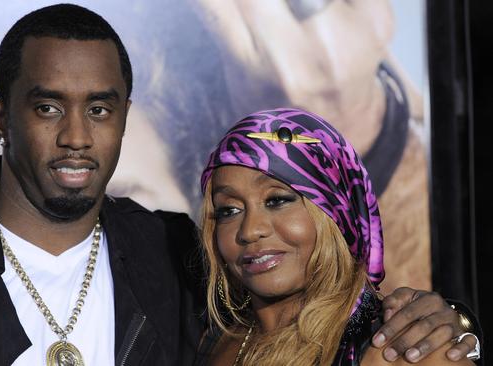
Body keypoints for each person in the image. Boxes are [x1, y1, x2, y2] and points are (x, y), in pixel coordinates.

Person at [0, 4, 480, 366]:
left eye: (100, 108)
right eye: (44, 108)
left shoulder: (178, 264)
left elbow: (319, 294)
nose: (75, 136)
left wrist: (432, 321)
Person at [195, 108, 478, 365]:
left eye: (277, 200)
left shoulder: (402, 351)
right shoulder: (215, 340)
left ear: (338, 212)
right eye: (229, 210)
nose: (249, 230)